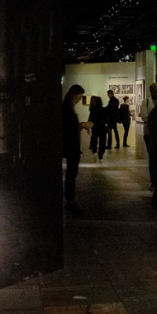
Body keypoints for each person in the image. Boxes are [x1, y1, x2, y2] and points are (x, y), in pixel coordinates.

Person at [62, 84, 87, 216]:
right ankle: (70, 200)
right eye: (79, 96)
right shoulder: (67, 109)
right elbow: (68, 128)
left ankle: (70, 200)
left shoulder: (67, 107)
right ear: (74, 94)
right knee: (72, 173)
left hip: (71, 146)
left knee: (72, 173)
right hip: (71, 146)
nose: (80, 99)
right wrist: (82, 125)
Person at [88, 95, 108, 161]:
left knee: (94, 138)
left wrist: (89, 126)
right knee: (103, 141)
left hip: (95, 127)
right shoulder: (104, 109)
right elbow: (106, 119)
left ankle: (94, 150)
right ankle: (101, 155)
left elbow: (90, 119)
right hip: (102, 127)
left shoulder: (93, 111)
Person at [139, 83, 157, 153]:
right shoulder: (145, 102)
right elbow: (143, 117)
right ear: (151, 91)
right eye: (154, 91)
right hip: (148, 131)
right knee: (151, 153)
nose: (156, 93)